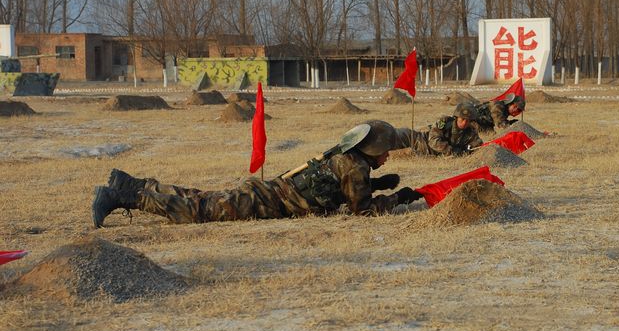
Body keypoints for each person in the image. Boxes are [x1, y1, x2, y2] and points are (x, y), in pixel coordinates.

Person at [91, 120, 423, 227]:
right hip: (266, 204)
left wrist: (377, 183)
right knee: (198, 210)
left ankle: (131, 182)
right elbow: (362, 211)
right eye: (387, 151)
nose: (389, 155)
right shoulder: (355, 167)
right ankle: (126, 196)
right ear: (373, 150)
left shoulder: (346, 156)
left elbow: (339, 190)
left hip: (268, 191)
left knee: (199, 196)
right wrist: (398, 198)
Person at [395, 103, 483, 157]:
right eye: (462, 119)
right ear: (456, 117)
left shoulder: (471, 132)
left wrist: (465, 152)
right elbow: (433, 141)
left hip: (429, 156)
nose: (464, 123)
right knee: (401, 134)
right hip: (421, 143)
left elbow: (478, 146)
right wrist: (451, 150)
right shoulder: (445, 122)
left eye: (467, 121)